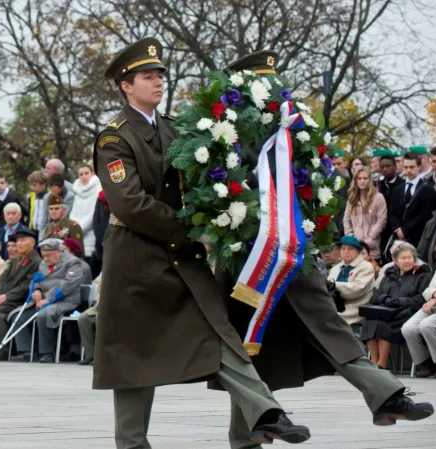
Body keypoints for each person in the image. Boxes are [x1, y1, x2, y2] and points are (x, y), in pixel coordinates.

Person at [94, 42, 310, 449]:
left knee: (218, 334)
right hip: (137, 258)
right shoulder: (114, 139)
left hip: (182, 258)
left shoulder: (174, 128)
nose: (158, 82)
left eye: (160, 75)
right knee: (133, 359)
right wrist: (190, 229)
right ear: (126, 86)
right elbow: (131, 204)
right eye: (147, 77)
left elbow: (203, 184)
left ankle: (265, 411)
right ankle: (132, 444)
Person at [215, 52, 433, 449]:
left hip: (294, 251)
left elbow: (314, 183)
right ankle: (250, 431)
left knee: (325, 319)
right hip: (245, 257)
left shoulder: (292, 133)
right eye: (262, 87)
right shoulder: (228, 133)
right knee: (248, 341)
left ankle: (383, 394)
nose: (272, 96)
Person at [0, 229, 42, 360]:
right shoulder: (14, 261)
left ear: (32, 243)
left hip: (19, 301)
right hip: (4, 300)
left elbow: (27, 286)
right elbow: (0, 281)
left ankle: (2, 351)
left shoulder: (36, 262)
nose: (19, 244)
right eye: (18, 241)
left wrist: (6, 296)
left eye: (23, 240)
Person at [11, 238, 84, 363]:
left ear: (58, 251)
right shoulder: (43, 264)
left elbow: (69, 284)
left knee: (43, 315)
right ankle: (26, 351)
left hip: (65, 301)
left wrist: (49, 298)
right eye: (43, 256)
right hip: (42, 300)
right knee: (18, 315)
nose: (45, 259)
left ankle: (47, 353)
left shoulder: (73, 262)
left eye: (48, 255)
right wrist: (36, 290)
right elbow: (37, 280)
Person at [361, 243, 431, 369]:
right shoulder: (389, 275)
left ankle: (382, 363)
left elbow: (421, 299)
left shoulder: (422, 275)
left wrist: (400, 301)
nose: (407, 261)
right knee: (370, 321)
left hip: (406, 312)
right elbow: (375, 296)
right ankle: (374, 362)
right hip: (387, 310)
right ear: (395, 261)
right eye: (403, 258)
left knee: (383, 324)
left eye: (410, 257)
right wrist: (385, 299)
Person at [327, 236, 375, 335]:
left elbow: (356, 290)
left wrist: (334, 285)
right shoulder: (335, 268)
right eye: (343, 249)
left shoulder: (366, 267)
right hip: (334, 306)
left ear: (358, 251)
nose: (346, 251)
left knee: (328, 318)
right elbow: (328, 289)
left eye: (350, 249)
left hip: (356, 309)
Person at [343, 167, 387, 261]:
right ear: (355, 181)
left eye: (365, 178)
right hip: (354, 246)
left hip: (372, 248)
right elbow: (346, 219)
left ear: (370, 180)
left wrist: (370, 237)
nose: (362, 181)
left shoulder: (378, 197)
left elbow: (381, 220)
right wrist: (350, 235)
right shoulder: (352, 198)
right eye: (359, 178)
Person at [403, 266, 436, 377]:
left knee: (427, 325)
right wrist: (434, 294)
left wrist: (435, 299)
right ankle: (426, 363)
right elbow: (428, 289)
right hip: (434, 304)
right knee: (408, 328)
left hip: (435, 303)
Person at [388, 151, 427, 246]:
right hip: (399, 239)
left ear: (419, 167)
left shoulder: (426, 188)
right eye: (406, 167)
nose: (408, 170)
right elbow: (392, 212)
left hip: (418, 239)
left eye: (412, 167)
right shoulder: (397, 189)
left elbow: (424, 215)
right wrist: (397, 229)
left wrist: (405, 230)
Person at [70, 164, 102, 265]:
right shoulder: (77, 191)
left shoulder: (98, 189)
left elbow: (94, 213)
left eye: (86, 173)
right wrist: (73, 225)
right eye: (81, 174)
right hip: (77, 232)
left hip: (91, 232)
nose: (84, 176)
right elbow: (74, 211)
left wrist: (80, 227)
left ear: (92, 173)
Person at [77, 273, 101, 366]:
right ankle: (90, 355)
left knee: (100, 319)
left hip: (117, 307)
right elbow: (96, 282)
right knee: (83, 318)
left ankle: (101, 356)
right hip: (100, 304)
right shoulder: (108, 267)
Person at [91, 190, 110, 278]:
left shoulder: (117, 198)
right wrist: (102, 239)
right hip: (101, 243)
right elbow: (96, 221)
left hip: (115, 241)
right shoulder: (100, 199)